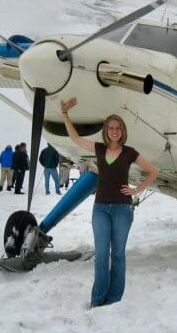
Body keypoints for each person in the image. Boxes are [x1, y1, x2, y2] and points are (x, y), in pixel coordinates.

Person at [60, 98, 158, 308]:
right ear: (106, 131)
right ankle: (97, 300)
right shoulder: (98, 148)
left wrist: (136, 190)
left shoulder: (130, 152)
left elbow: (153, 171)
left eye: (118, 128)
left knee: (119, 255)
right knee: (101, 255)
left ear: (122, 131)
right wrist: (65, 114)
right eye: (111, 128)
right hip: (101, 208)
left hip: (123, 208)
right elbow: (75, 138)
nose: (114, 131)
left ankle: (114, 300)